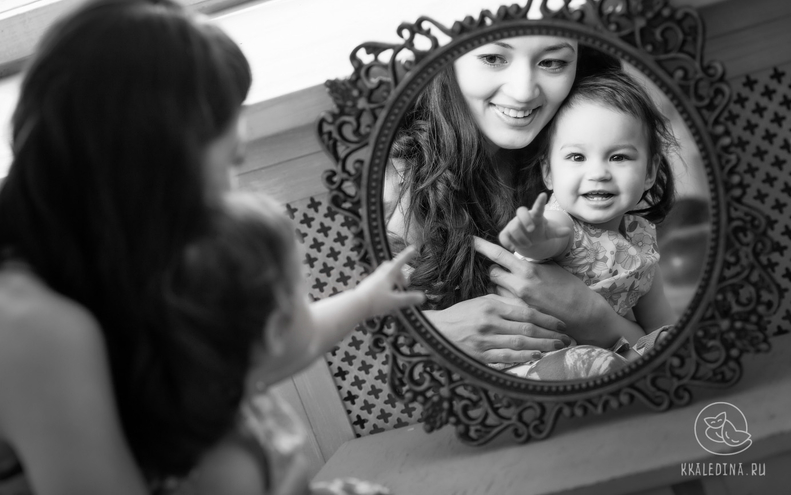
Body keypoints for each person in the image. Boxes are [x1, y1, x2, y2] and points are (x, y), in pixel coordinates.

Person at [0, 0, 421, 495]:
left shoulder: (111, 253)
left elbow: (273, 350)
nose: (228, 198)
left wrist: (363, 301)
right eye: (228, 167)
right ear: (151, 167)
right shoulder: (28, 325)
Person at [386, 35, 648, 371]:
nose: (524, 92)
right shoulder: (393, 181)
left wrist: (592, 316)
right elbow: (350, 329)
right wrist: (432, 332)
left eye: (552, 62)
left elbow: (648, 341)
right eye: (493, 58)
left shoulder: (585, 159)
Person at [168, 193, 421, 495]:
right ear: (276, 331)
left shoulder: (237, 378)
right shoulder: (230, 462)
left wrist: (365, 299)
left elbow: (313, 334)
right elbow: (311, 336)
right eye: (302, 291)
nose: (312, 305)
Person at [497, 70, 678, 377]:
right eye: (577, 157)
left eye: (618, 157)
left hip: (607, 355)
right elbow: (553, 237)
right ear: (548, 173)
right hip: (529, 363)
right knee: (592, 362)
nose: (598, 173)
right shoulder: (561, 221)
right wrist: (533, 237)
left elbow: (660, 324)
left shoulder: (642, 245)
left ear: (649, 171)